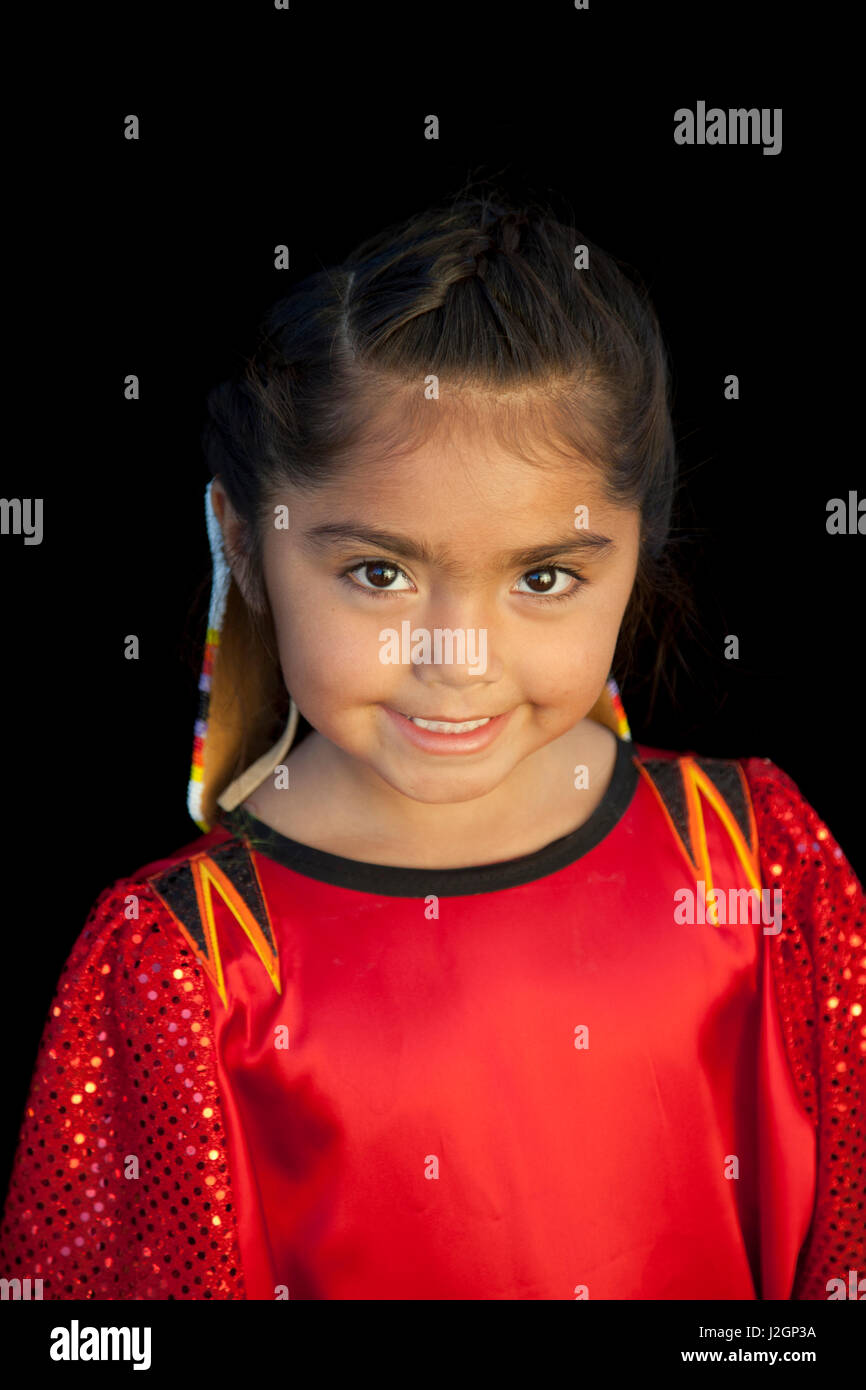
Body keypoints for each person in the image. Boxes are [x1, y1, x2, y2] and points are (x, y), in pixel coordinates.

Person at [1, 192, 863, 1301]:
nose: (456, 656)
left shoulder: (754, 863)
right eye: (378, 574)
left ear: (637, 552)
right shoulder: (184, 963)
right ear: (244, 542)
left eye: (542, 577)